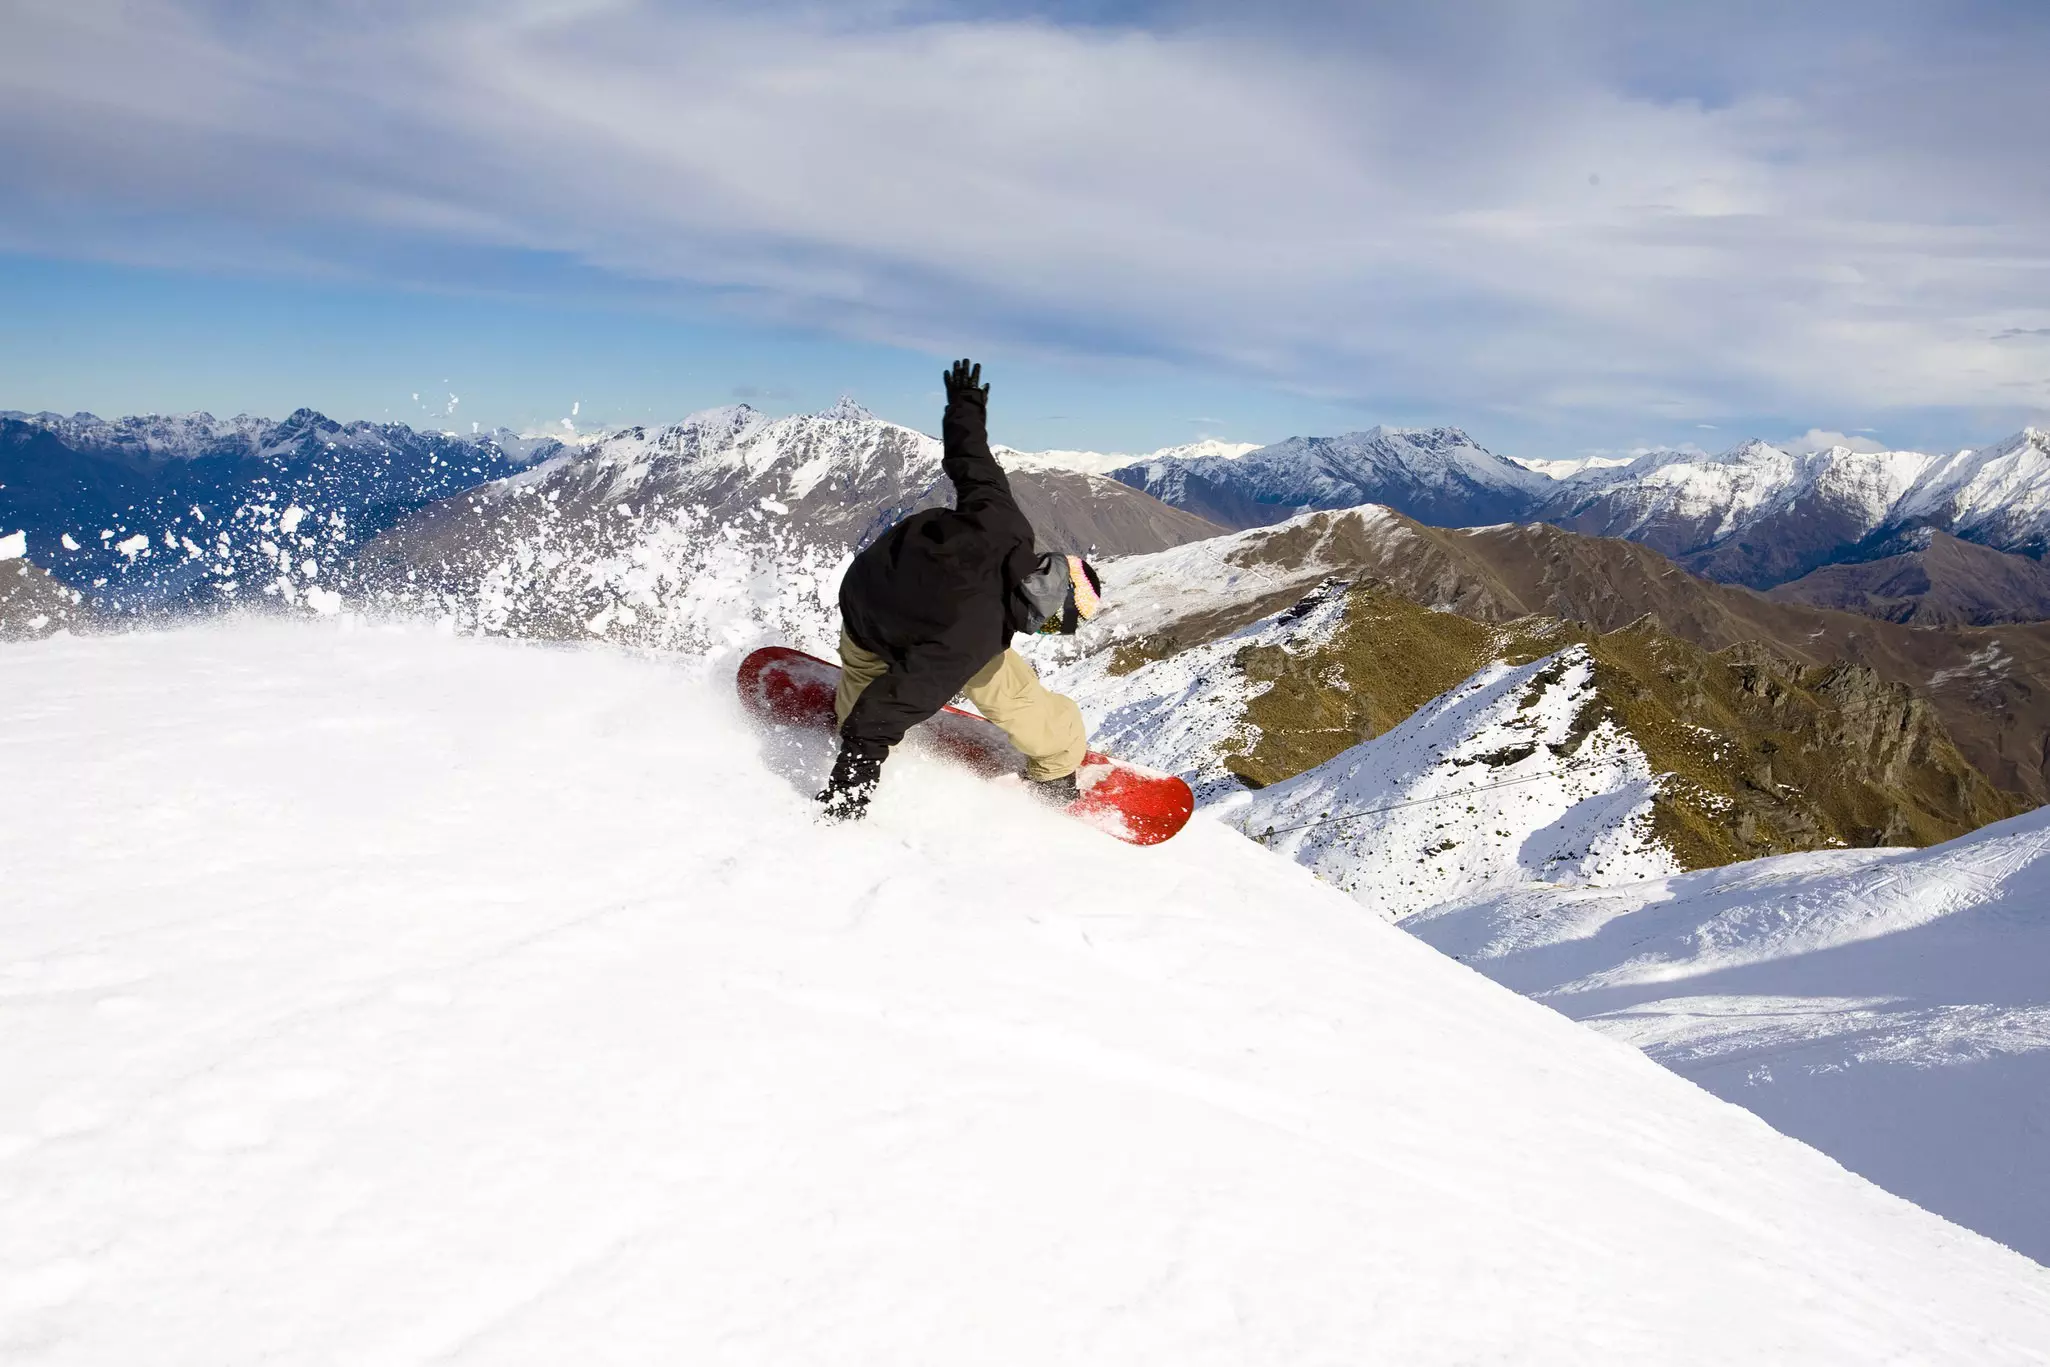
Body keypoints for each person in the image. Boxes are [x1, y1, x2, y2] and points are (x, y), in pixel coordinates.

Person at [818, 358, 1103, 821]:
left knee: (865, 667)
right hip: (914, 619)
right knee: (1013, 695)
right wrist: (846, 795)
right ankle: (1057, 768)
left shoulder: (1006, 525)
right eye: (1054, 625)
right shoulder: (970, 640)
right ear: (1046, 613)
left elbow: (973, 463)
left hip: (867, 594)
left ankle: (847, 712)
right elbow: (889, 710)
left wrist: (965, 405)